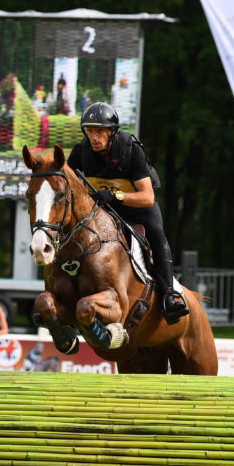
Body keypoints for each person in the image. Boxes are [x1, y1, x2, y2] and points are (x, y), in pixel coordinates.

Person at [67, 102, 189, 324]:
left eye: (100, 131)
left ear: (111, 132)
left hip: (137, 205)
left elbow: (147, 197)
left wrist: (115, 196)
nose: (95, 137)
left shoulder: (130, 150)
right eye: (90, 131)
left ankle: (169, 295)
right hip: (102, 209)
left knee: (155, 232)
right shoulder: (80, 153)